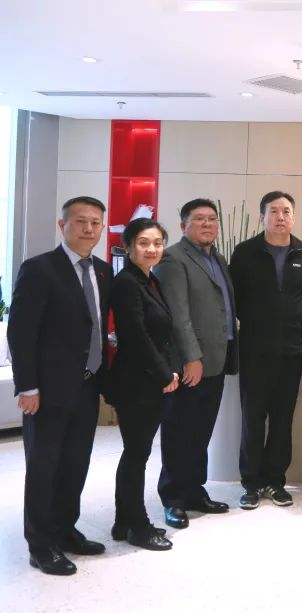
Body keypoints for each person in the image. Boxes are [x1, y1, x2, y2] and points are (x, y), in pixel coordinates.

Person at [8, 196, 113, 575]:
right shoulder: (39, 269)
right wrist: (27, 387)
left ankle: (66, 529)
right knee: (44, 466)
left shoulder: (103, 271)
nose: (89, 228)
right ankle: (40, 544)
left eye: (96, 222)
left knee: (75, 464)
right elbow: (21, 332)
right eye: (80, 221)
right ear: (62, 225)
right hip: (47, 390)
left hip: (87, 385)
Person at [228, 191, 302, 509]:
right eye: (274, 211)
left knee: (282, 419)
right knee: (252, 419)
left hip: (292, 351)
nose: (281, 217)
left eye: (286, 211)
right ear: (261, 216)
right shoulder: (245, 252)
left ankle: (276, 481)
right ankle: (251, 483)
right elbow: (233, 300)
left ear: (294, 217)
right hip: (254, 350)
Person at [156, 199, 237, 530]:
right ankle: (173, 498)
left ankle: (194, 491)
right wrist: (191, 357)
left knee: (201, 432)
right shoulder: (173, 258)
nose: (207, 224)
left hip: (216, 360)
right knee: (179, 431)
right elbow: (178, 315)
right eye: (199, 219)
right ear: (183, 225)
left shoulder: (217, 258)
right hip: (192, 363)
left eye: (212, 219)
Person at [108, 218, 179, 551]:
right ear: (128, 246)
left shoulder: (149, 279)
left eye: (157, 243)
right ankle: (137, 526)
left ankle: (124, 522)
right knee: (136, 455)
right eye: (144, 243)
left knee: (136, 454)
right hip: (137, 382)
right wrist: (166, 375)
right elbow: (135, 336)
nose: (152, 249)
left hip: (147, 380)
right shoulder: (126, 283)